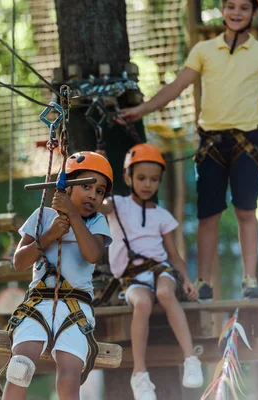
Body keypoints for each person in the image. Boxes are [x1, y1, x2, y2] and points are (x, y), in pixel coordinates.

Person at [119, 0, 258, 300]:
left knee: (245, 210)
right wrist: (142, 110)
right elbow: (178, 86)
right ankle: (202, 282)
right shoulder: (204, 50)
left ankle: (250, 280)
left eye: (244, 8)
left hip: (246, 141)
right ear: (222, 10)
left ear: (254, 13)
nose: (236, 13)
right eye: (231, 6)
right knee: (208, 215)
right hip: (211, 142)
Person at [1, 151, 113, 400]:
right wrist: (49, 235)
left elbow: (93, 254)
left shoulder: (96, 222)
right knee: (20, 367)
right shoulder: (42, 217)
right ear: (65, 187)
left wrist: (73, 216)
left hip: (75, 306)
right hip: (38, 303)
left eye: (100, 191)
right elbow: (19, 262)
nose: (93, 195)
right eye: (86, 186)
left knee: (69, 377)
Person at [99, 143, 203, 400]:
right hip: (132, 276)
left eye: (154, 180)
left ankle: (191, 358)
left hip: (160, 269)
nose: (148, 184)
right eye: (142, 178)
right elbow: (98, 204)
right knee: (142, 304)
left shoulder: (162, 215)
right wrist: (100, 174)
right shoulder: (117, 205)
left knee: (166, 293)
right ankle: (140, 374)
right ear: (127, 177)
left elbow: (174, 254)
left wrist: (187, 280)